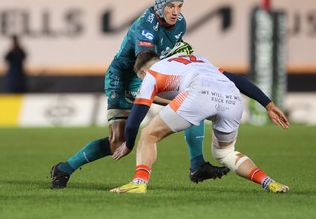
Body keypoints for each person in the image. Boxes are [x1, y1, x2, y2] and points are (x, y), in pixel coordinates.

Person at [50, 0, 228, 189]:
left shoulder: (180, 23)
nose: (176, 12)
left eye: (180, 6)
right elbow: (145, 65)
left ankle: (198, 165)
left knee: (191, 102)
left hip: (151, 72)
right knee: (118, 141)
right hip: (126, 76)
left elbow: (163, 57)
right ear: (160, 5)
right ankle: (64, 169)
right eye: (171, 6)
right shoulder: (146, 28)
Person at [109, 44, 290, 194]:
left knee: (148, 135)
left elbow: (134, 120)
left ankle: (139, 182)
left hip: (198, 92)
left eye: (140, 77)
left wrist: (129, 144)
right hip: (232, 97)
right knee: (225, 153)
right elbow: (237, 79)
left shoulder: (152, 73)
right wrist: (268, 104)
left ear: (142, 71)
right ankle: (269, 182)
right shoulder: (199, 61)